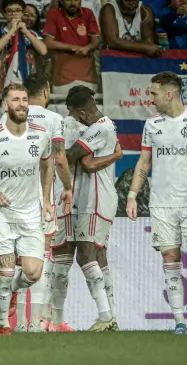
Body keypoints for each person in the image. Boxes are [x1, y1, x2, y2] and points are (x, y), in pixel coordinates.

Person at [125, 71, 187, 335]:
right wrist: (132, 195)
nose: (150, 98)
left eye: (154, 93)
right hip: (161, 204)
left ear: (170, 94)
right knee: (170, 257)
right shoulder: (152, 124)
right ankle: (179, 321)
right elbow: (144, 162)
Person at [0, 83, 56, 335]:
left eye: (25, 99)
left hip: (30, 215)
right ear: (5, 105)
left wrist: (46, 200)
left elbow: (48, 166)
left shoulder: (40, 134)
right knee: (5, 269)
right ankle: (4, 323)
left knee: (33, 273)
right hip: (0, 215)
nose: (21, 104)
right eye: (15, 99)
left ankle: (14, 289)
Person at [0, 74, 72, 332]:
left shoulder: (6, 119)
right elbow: (59, 159)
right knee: (42, 259)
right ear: (47, 91)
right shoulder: (54, 120)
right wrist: (68, 187)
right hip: (43, 200)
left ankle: (20, 323)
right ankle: (37, 322)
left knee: (21, 260)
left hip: (14, 202)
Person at [62, 89, 122, 332]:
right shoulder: (103, 125)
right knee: (98, 256)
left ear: (84, 113)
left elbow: (78, 159)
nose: (73, 118)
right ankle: (111, 317)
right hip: (100, 198)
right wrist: (115, 155)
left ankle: (105, 316)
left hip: (96, 199)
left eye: (74, 114)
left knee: (85, 255)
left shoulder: (101, 128)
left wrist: (55, 149)